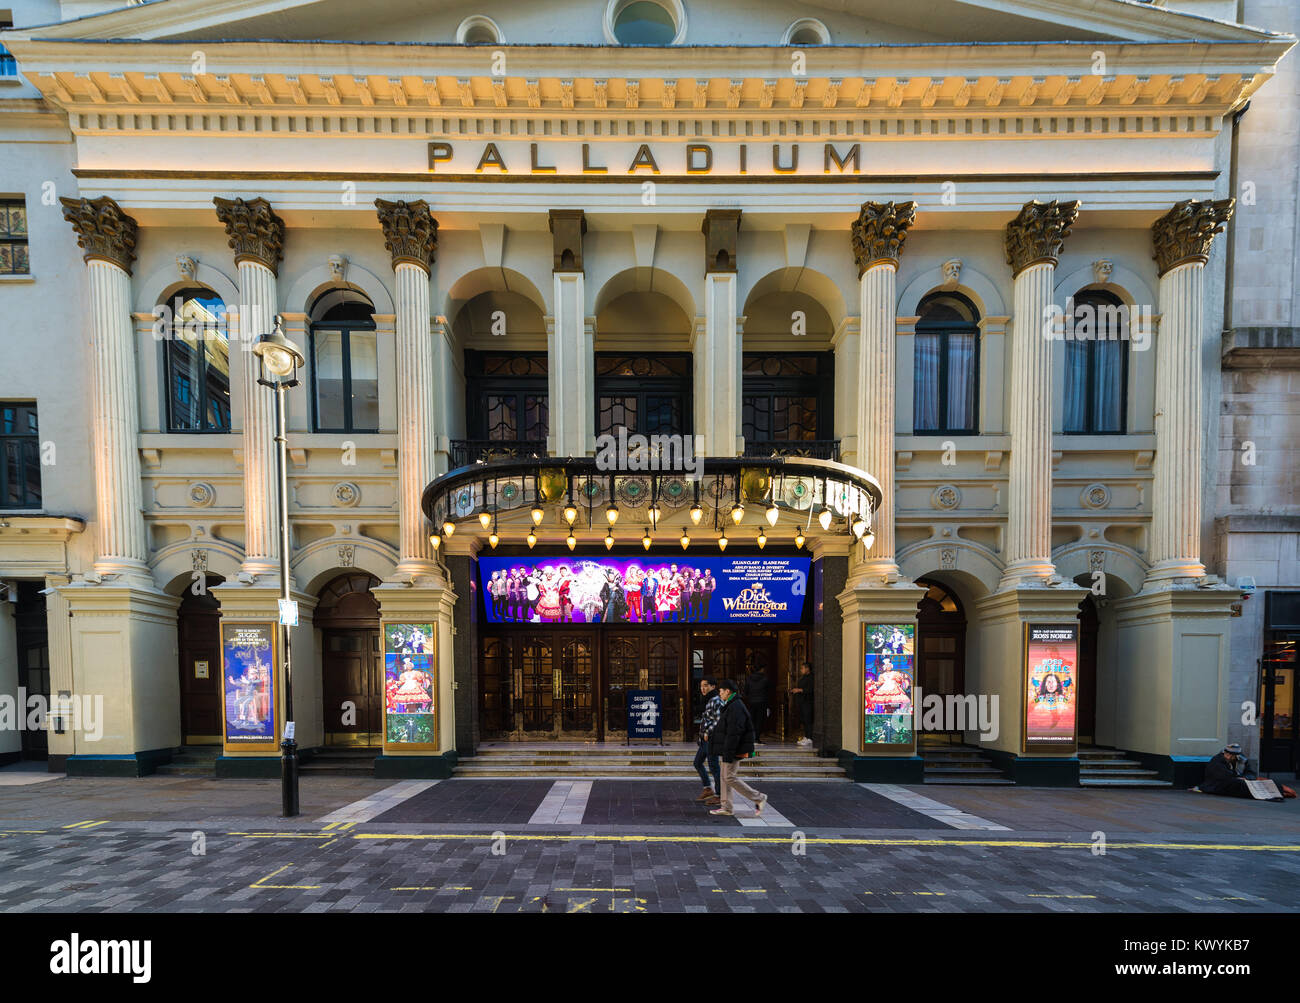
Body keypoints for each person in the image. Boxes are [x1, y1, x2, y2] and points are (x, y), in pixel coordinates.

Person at [709, 679, 769, 818]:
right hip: (729, 748)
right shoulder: (732, 705)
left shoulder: (735, 706)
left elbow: (734, 733)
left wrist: (728, 753)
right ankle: (726, 807)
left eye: (721, 691)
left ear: (728, 691)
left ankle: (758, 797)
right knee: (725, 777)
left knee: (729, 777)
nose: (720, 694)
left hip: (734, 748)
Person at [1198, 743, 1296, 799]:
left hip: (1242, 780)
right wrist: (1241, 779)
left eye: (1232, 755)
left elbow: (1251, 773)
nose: (1229, 756)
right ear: (1224, 753)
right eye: (1228, 754)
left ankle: (1279, 792)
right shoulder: (1217, 761)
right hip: (1219, 785)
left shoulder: (1242, 760)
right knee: (1240, 785)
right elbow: (1224, 777)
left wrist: (1246, 777)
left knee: (1266, 782)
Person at [694, 677, 723, 805]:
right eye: (701, 686)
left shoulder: (716, 700)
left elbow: (719, 720)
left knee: (714, 766)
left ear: (713, 686)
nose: (703, 688)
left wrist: (707, 732)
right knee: (697, 762)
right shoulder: (707, 699)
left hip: (711, 738)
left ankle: (719, 794)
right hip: (705, 739)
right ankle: (707, 788)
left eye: (706, 685)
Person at [790, 660, 815, 747]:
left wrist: (799, 690)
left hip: (808, 702)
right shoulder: (803, 677)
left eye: (802, 668)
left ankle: (810, 738)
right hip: (802, 701)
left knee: (808, 720)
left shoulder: (812, 678)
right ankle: (806, 736)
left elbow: (811, 689)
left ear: (807, 669)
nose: (801, 670)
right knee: (804, 720)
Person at [744, 665, 769, 743]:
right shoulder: (765, 679)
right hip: (762, 702)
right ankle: (756, 738)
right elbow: (768, 692)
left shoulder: (748, 679)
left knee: (752, 720)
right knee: (759, 720)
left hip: (751, 702)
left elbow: (745, 691)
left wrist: (749, 698)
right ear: (761, 669)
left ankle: (751, 737)